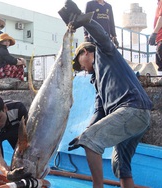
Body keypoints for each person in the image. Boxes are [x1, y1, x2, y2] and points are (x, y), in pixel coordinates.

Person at [58, 1, 153, 188]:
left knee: (91, 141)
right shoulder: (97, 81)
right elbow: (99, 111)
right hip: (134, 117)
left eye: (80, 63)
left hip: (133, 110)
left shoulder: (104, 53)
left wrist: (84, 21)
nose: (83, 70)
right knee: (120, 166)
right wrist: (83, 133)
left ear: (86, 52)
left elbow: (100, 35)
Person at [148, 0, 162, 71]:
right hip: (159, 39)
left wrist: (154, 34)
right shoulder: (159, 3)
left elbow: (161, 18)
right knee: (160, 66)